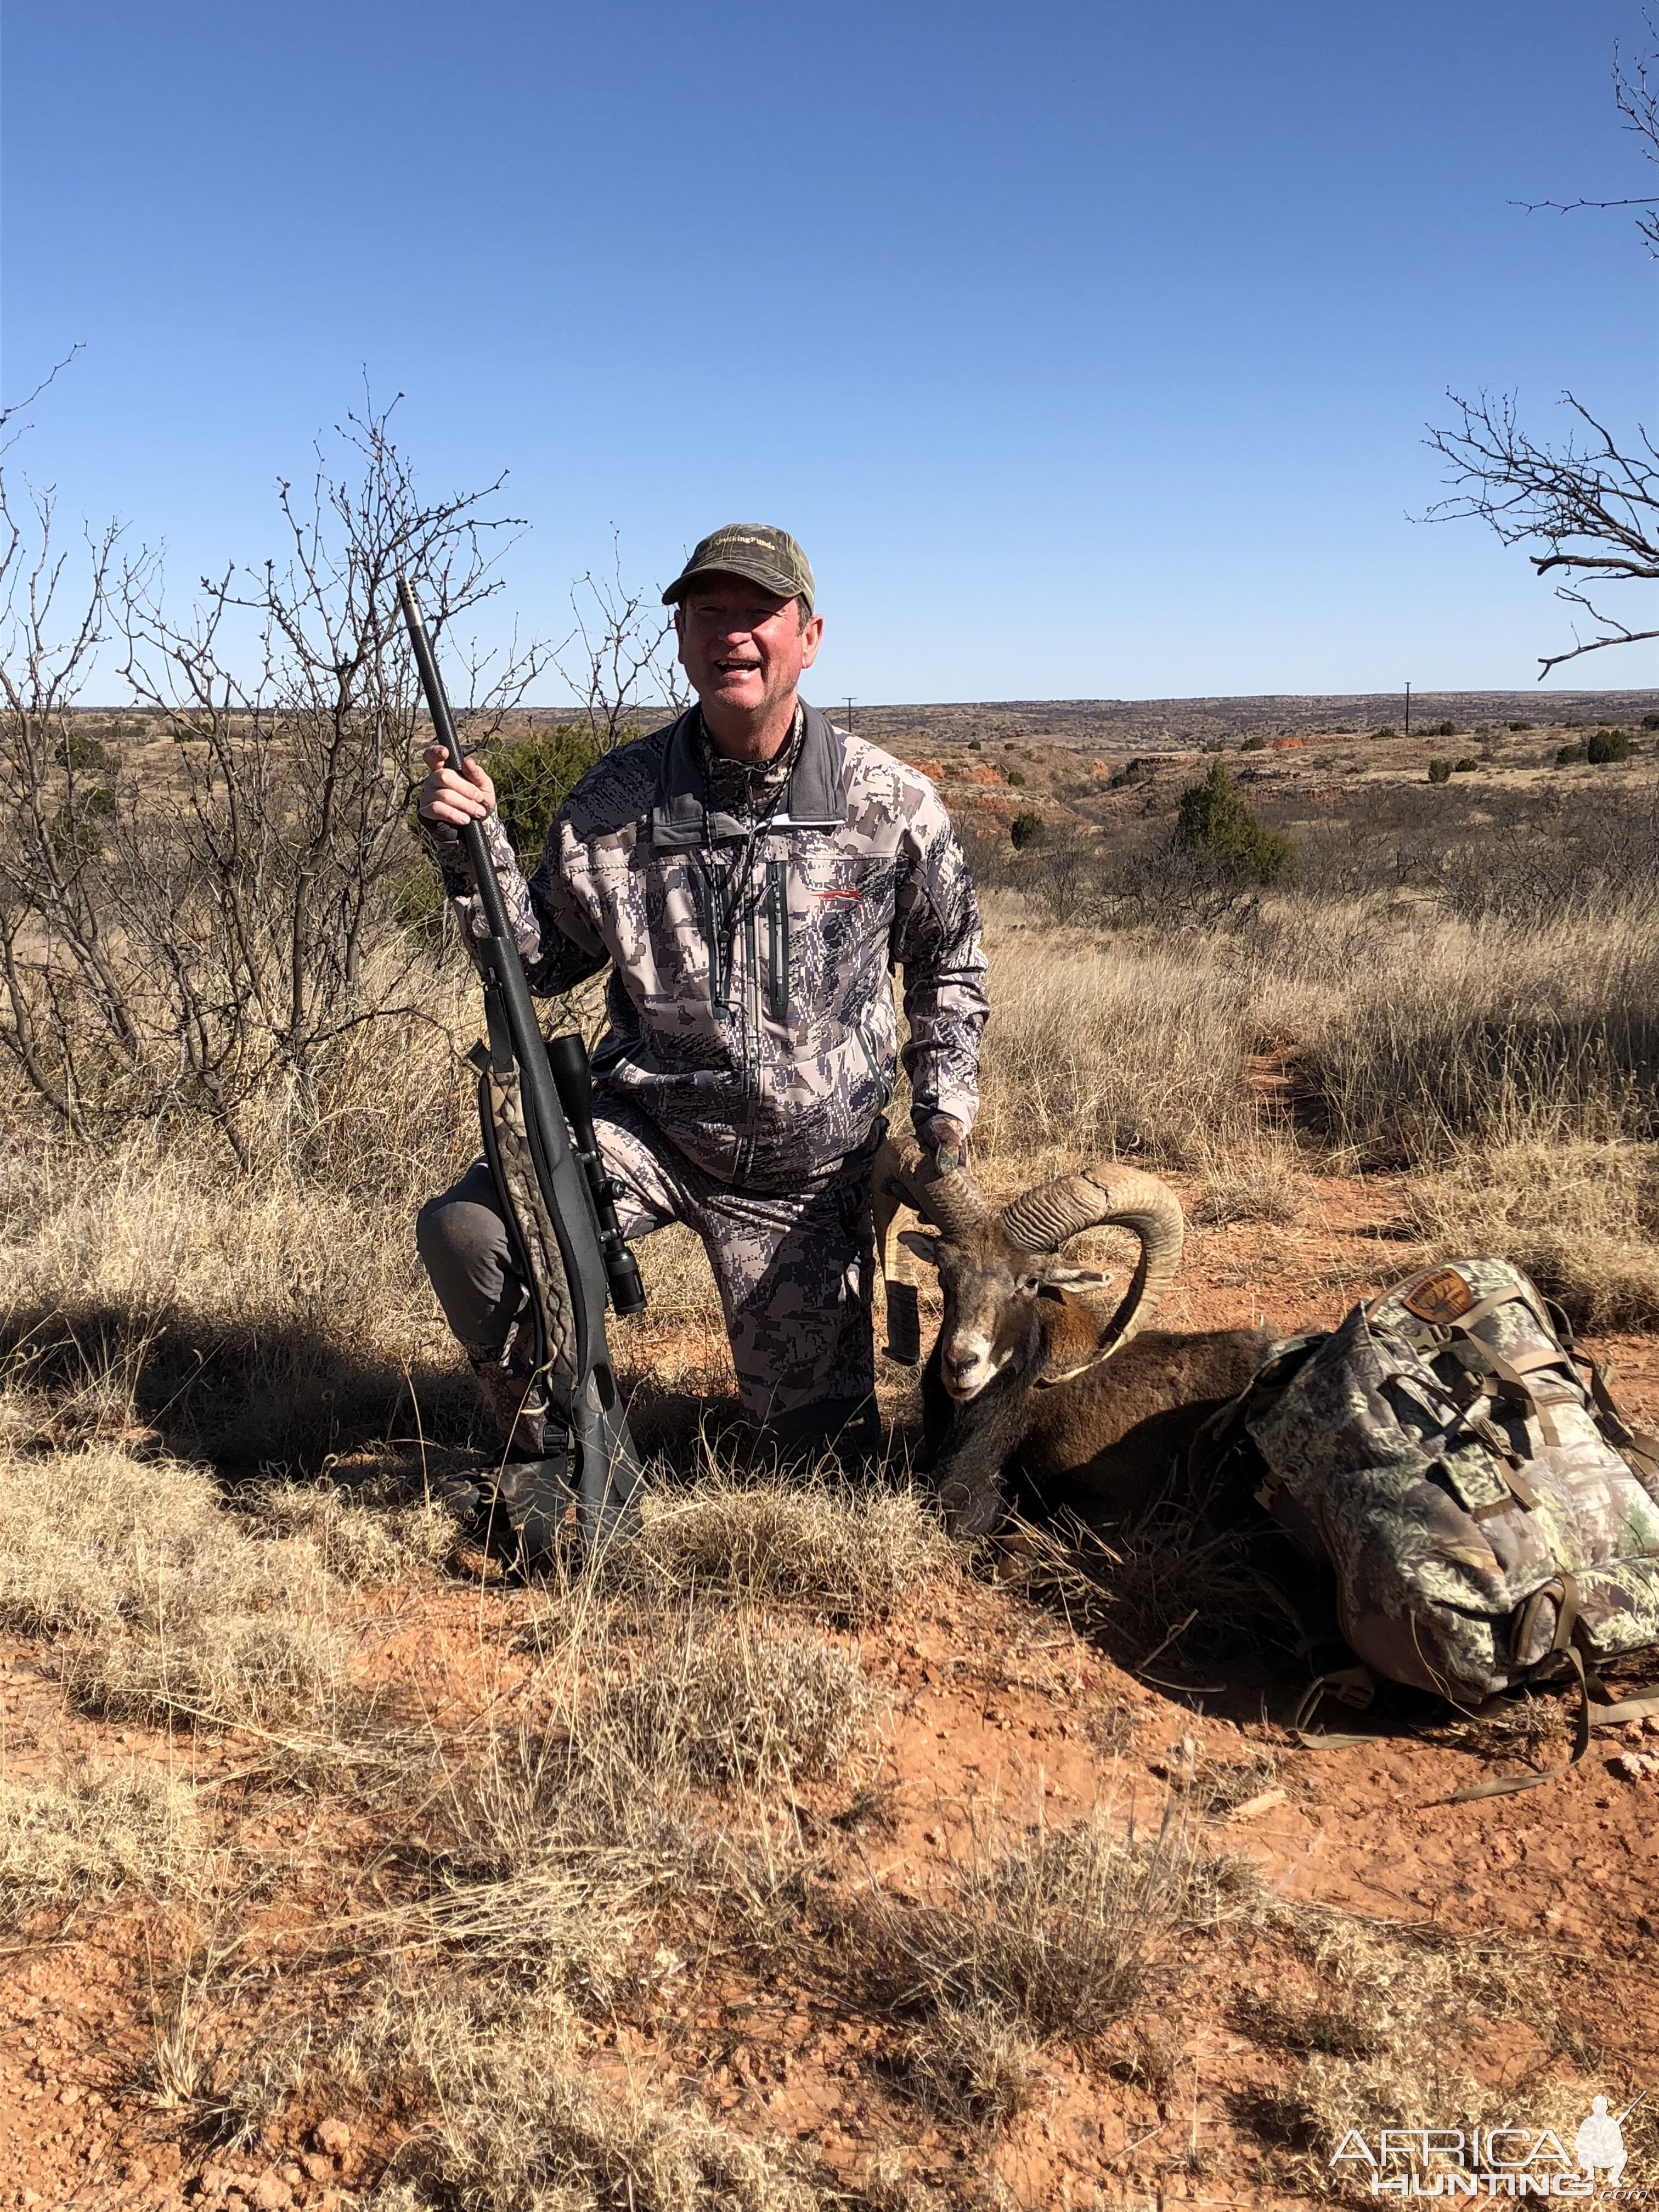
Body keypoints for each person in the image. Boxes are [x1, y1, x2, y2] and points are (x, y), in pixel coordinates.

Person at [415, 523, 989, 1489]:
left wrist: (945, 1109)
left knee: (825, 1477)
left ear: (809, 636)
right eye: (707, 613)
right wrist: (472, 855)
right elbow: (540, 961)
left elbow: (950, 963)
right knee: (470, 1231)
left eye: (759, 613)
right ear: (680, 639)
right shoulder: (614, 799)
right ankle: (559, 1449)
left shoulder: (892, 803)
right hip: (646, 1130)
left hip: (809, 1180)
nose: (733, 635)